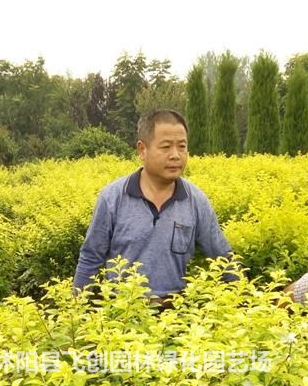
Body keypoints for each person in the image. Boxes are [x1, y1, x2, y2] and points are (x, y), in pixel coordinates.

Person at [73, 109, 240, 309]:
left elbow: (223, 258)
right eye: (166, 147)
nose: (176, 156)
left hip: (176, 316)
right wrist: (75, 314)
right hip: (123, 316)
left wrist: (247, 304)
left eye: (182, 147)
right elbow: (91, 258)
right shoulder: (113, 198)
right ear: (142, 150)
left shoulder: (196, 201)